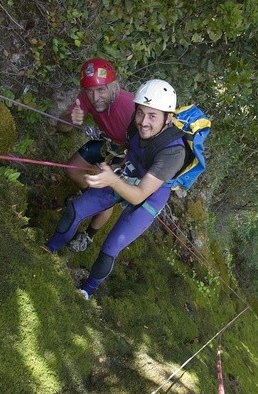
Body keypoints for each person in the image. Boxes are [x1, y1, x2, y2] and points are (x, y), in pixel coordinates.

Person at [46, 79, 186, 300]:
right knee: (76, 209)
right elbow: (132, 153)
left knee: (111, 247)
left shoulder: (173, 153)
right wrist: (115, 167)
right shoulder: (135, 123)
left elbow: (139, 195)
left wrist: (112, 179)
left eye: (153, 116)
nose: (143, 122)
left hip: (151, 195)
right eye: (140, 113)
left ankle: (87, 291)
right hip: (127, 174)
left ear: (168, 119)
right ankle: (48, 252)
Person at [56, 57, 135, 252]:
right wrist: (71, 118)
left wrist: (119, 167)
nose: (95, 97)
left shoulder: (130, 107)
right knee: (71, 169)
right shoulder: (85, 98)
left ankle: (89, 235)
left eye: (101, 90)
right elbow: (62, 127)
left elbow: (141, 146)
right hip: (107, 142)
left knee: (106, 192)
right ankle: (88, 200)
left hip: (129, 152)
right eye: (90, 91)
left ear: (114, 86)